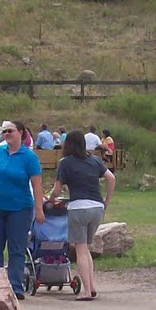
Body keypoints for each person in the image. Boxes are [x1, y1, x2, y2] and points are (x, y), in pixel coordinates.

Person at [0, 120, 43, 298]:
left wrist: (39, 209)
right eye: (4, 131)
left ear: (21, 132)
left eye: (10, 131)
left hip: (20, 208)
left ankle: (15, 287)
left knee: (16, 248)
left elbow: (36, 185)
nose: (6, 134)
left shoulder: (29, 157)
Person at [47, 129, 113, 300]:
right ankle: (91, 286)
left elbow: (57, 189)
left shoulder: (65, 163)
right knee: (87, 248)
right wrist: (106, 201)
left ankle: (86, 291)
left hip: (78, 207)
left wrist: (50, 200)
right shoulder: (95, 160)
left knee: (80, 248)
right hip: (97, 206)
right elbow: (111, 178)